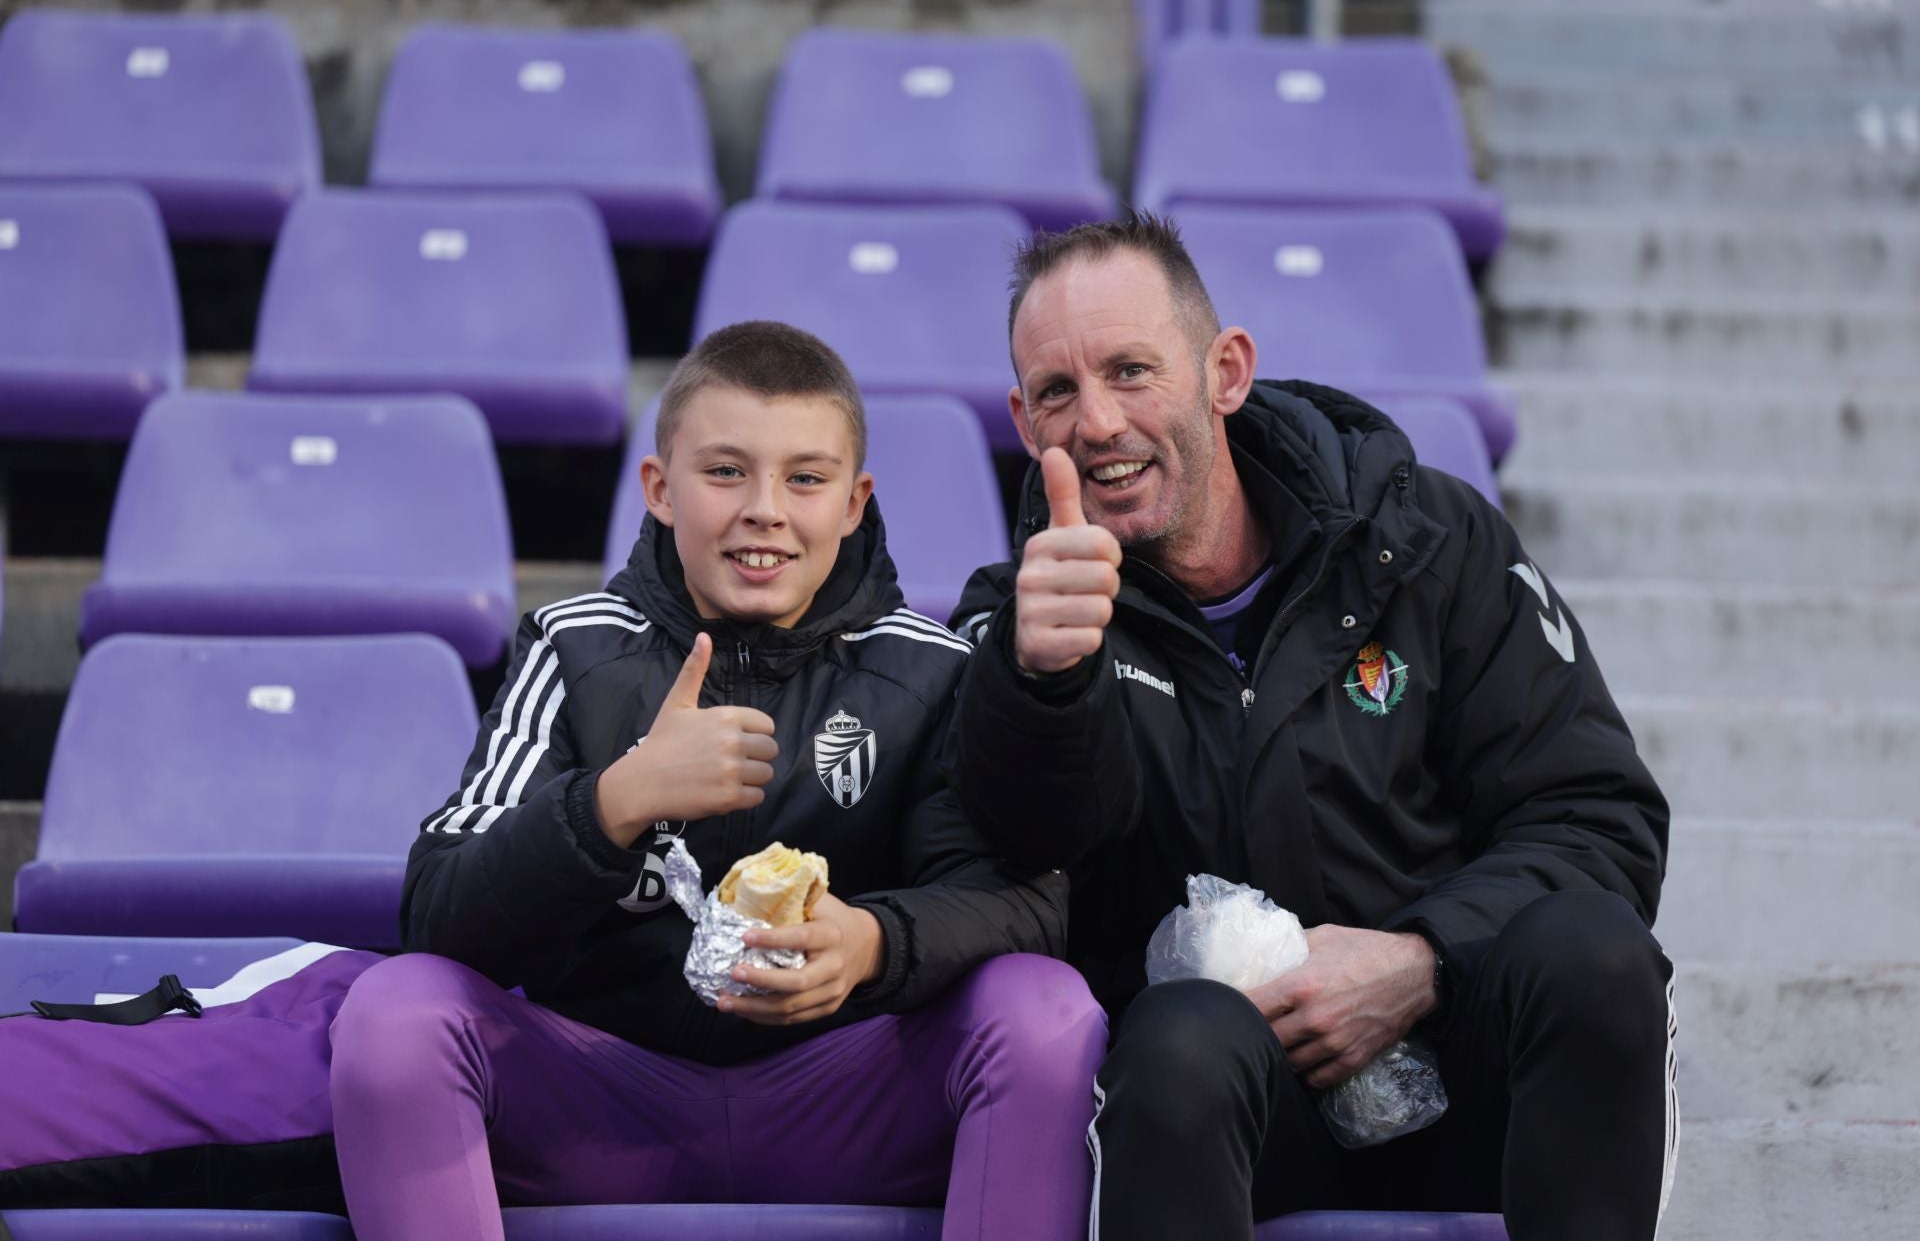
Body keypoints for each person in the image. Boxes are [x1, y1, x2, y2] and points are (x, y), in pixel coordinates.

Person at [0, 322, 1103, 1241]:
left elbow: (1017, 900)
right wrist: (612, 802)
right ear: (660, 488)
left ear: (854, 501)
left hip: (844, 1092)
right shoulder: (574, 646)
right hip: (603, 1093)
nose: (765, 507)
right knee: (397, 1010)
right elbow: (439, 905)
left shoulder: (935, 664)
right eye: (726, 471)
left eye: (803, 478)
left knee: (1043, 1010)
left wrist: (872, 942)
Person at [945, 214, 1674, 1241]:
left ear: (1226, 371)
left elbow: (1600, 822)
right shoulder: (1017, 623)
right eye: (1058, 391)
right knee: (1182, 1040)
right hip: (1218, 1114)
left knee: (1594, 953)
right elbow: (1011, 859)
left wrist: (1419, 958)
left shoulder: (1429, 538)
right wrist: (1046, 681)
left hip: (1464, 1064)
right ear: (1024, 422)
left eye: (1131, 370)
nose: (1098, 422)